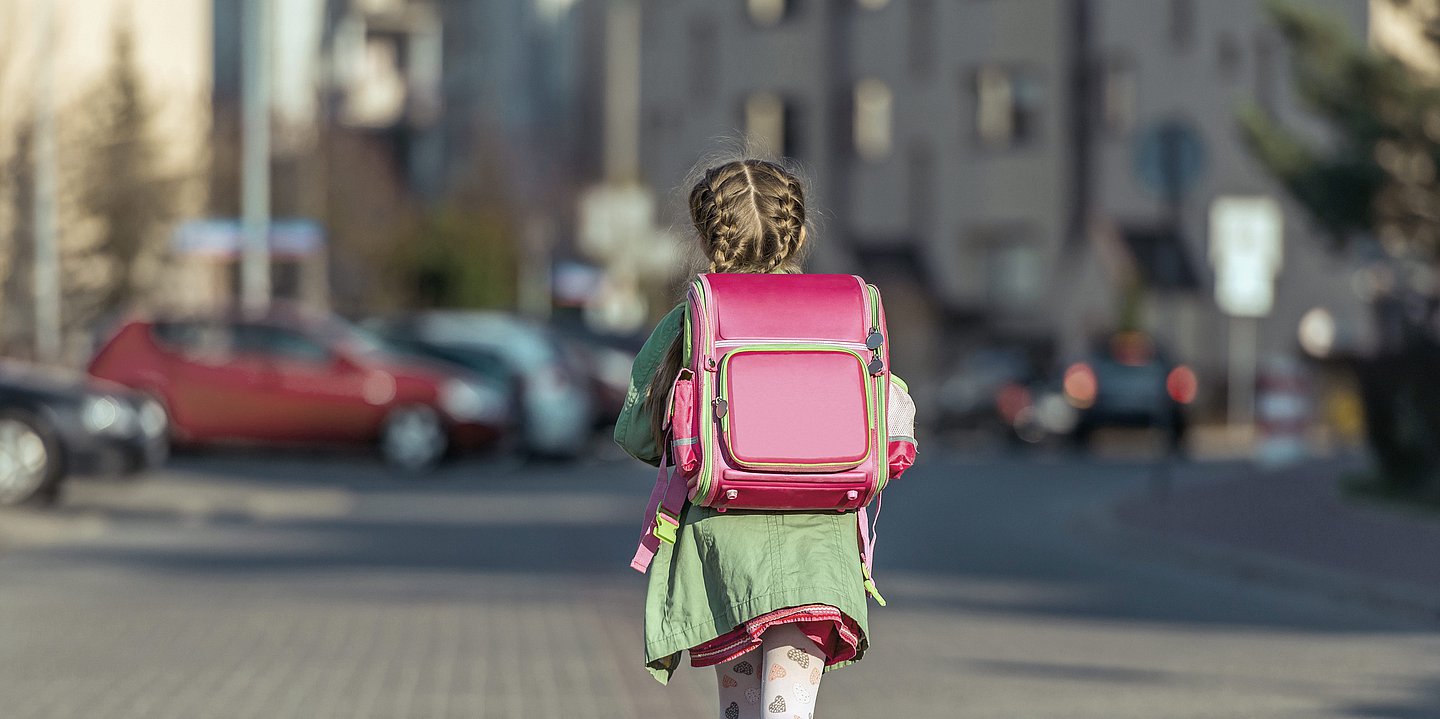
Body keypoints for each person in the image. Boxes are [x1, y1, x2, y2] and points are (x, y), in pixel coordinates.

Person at [614, 158, 918, 719]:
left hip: (723, 546)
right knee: (788, 710)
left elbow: (637, 434)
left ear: (707, 233)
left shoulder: (694, 318)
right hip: (818, 550)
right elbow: (893, 428)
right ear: (799, 233)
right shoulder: (843, 313)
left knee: (741, 705)